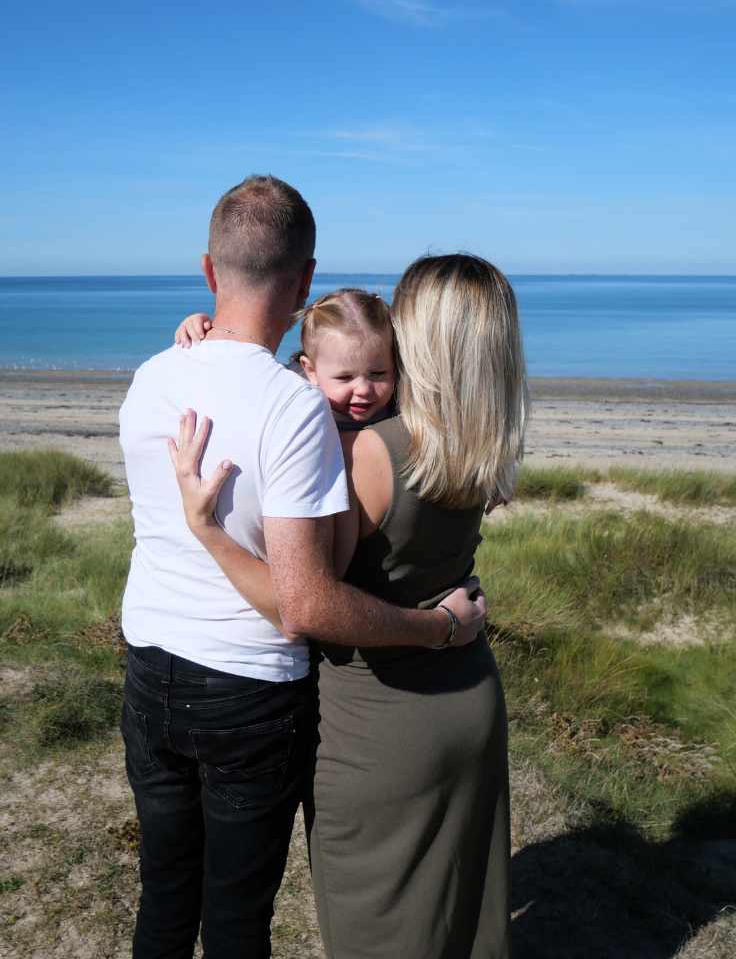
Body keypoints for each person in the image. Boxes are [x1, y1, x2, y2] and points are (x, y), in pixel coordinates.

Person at [118, 175, 487, 959]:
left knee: (165, 896)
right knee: (235, 916)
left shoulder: (153, 375)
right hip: (246, 689)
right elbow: (306, 606)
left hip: (148, 665)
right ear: (305, 278)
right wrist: (439, 628)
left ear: (210, 270)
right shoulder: (294, 409)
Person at [175, 287, 397, 431]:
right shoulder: (292, 391)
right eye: (345, 377)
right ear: (310, 371)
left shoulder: (402, 401)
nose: (364, 389)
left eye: (378, 374)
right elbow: (234, 376)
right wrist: (204, 327)